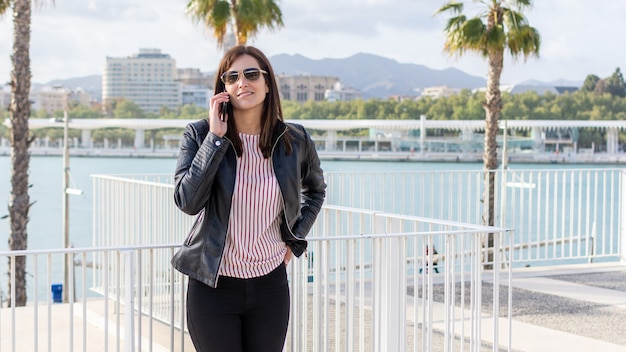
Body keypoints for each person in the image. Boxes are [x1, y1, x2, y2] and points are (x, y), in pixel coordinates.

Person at [170, 45, 326, 352]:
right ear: (223, 89)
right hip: (213, 286)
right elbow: (187, 202)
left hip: (270, 285)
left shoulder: (295, 140)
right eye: (233, 76)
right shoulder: (200, 135)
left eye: (252, 74)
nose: (243, 82)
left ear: (268, 84)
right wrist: (216, 139)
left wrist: (294, 241)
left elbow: (316, 191)